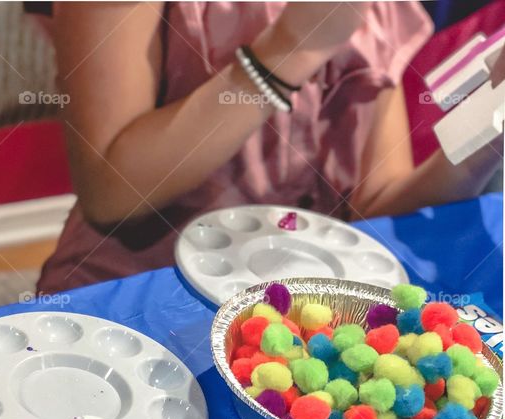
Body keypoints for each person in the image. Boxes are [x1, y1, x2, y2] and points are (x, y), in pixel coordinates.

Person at [37, 2, 503, 294]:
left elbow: (374, 213)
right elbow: (111, 194)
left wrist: (489, 132)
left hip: (293, 331)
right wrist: (290, 49)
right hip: (138, 300)